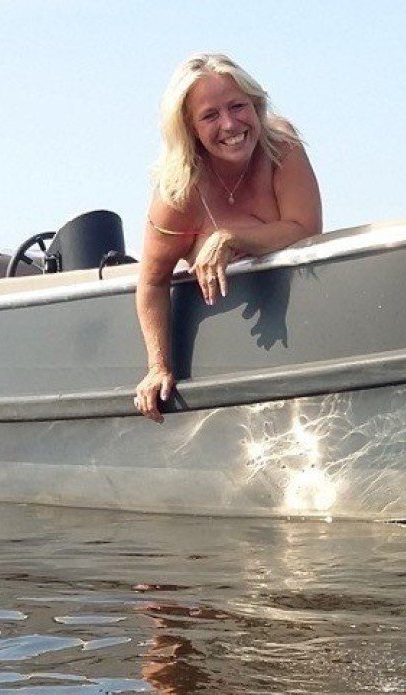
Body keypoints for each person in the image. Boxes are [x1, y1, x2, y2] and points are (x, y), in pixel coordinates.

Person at [133, 53, 322, 422]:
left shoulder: (281, 145)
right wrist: (158, 365)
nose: (230, 124)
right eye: (210, 115)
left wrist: (230, 238)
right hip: (229, 351)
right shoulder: (177, 191)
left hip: (297, 339)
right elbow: (152, 281)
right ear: (189, 129)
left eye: (238, 106)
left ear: (256, 104)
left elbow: (305, 229)